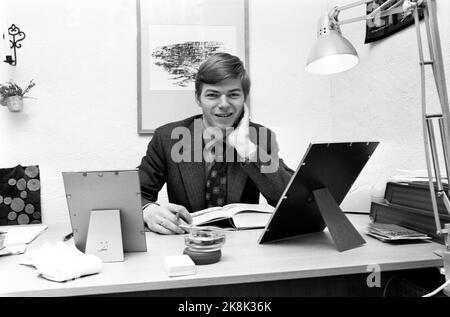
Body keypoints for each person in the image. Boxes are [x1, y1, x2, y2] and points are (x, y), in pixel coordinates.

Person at [139, 52, 293, 234]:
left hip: (244, 246)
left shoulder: (260, 137)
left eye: (233, 95)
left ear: (245, 98)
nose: (224, 104)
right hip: (186, 242)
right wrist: (147, 211)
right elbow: (133, 194)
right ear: (198, 98)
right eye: (213, 95)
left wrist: (247, 148)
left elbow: (291, 200)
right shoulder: (167, 138)